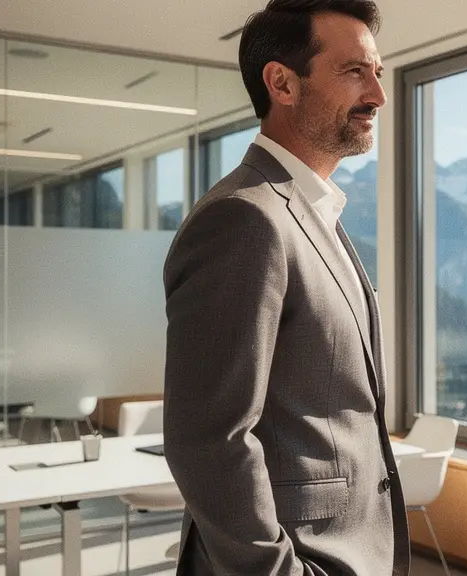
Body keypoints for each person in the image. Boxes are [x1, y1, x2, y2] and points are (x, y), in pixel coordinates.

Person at [162, 1, 408, 574]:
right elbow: (209, 441)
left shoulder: (314, 211)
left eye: (377, 71)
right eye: (354, 72)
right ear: (282, 83)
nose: (378, 93)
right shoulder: (244, 219)